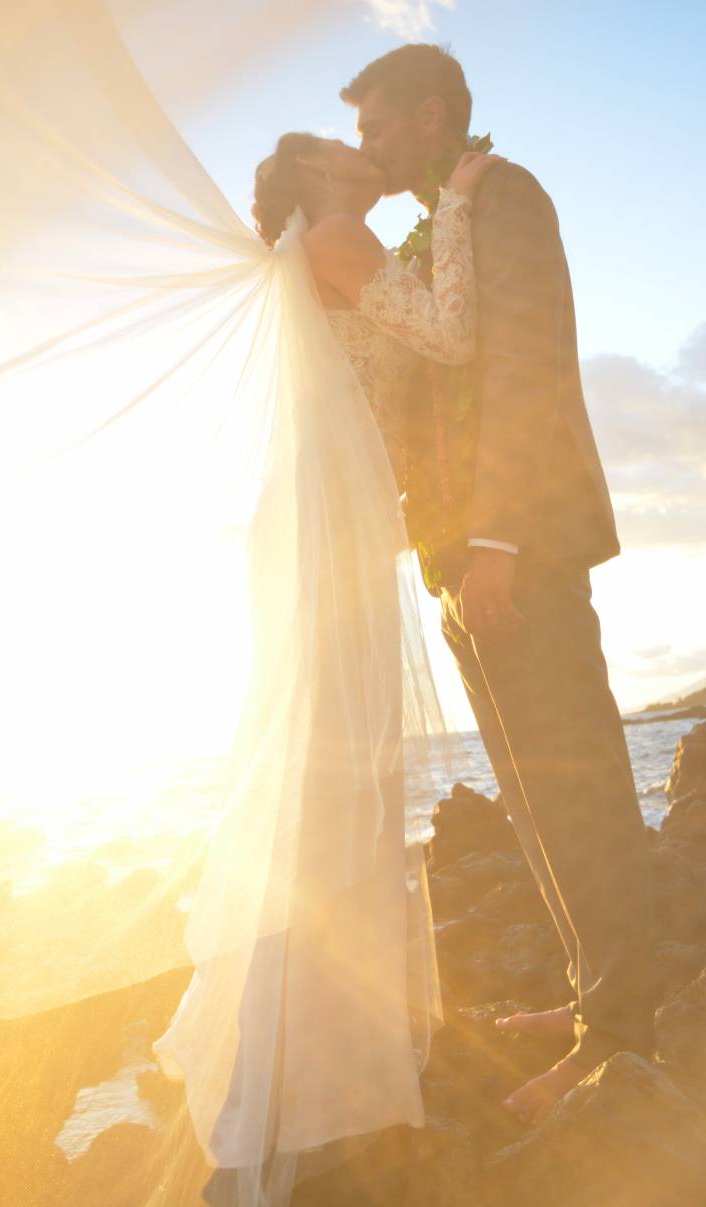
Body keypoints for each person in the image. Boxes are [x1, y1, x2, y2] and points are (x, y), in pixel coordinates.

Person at [151, 137, 500, 1206]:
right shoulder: (341, 238)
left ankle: (298, 1074)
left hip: (308, 511)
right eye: (333, 148)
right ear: (315, 186)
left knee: (317, 766)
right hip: (330, 516)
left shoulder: (309, 253)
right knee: (338, 774)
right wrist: (453, 205)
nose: (358, 152)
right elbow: (449, 335)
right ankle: (308, 1083)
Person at [340, 42, 654, 1126]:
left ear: (432, 117)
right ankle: (588, 1001)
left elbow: (521, 359)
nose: (364, 147)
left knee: (580, 791)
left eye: (377, 126)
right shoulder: (439, 228)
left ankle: (618, 1037)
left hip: (511, 549)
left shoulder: (506, 194)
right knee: (528, 796)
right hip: (452, 556)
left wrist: (500, 542)